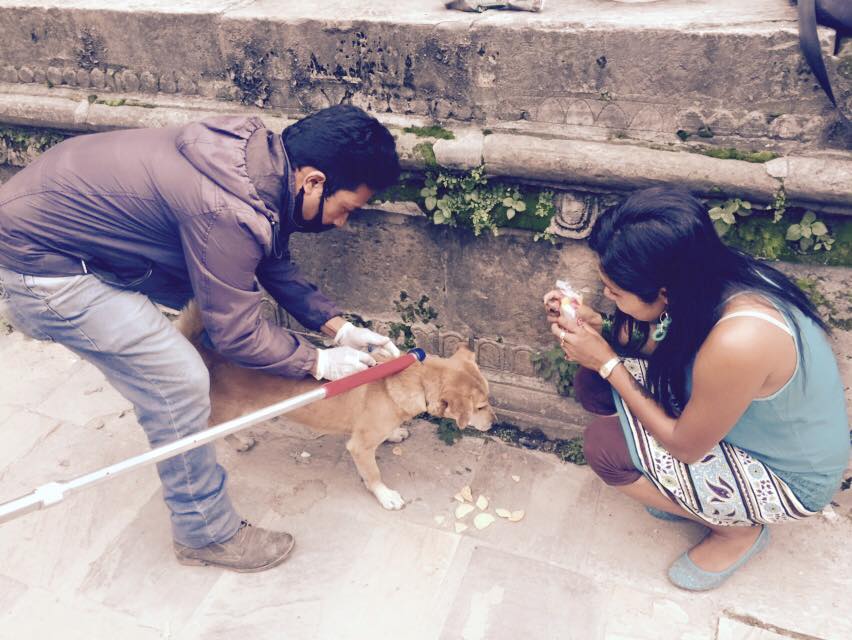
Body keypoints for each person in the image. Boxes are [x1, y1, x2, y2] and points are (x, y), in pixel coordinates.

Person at [0, 105, 402, 572]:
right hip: (43, 264)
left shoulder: (255, 165)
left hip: (64, 229)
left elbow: (266, 255)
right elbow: (237, 332)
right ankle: (204, 532)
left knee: (214, 319)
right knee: (178, 380)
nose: (341, 222)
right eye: (346, 208)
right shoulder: (227, 208)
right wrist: (318, 362)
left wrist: (338, 327)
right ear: (313, 181)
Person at [544, 186, 850, 591]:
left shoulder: (739, 339)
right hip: (738, 426)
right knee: (595, 385)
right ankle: (695, 497)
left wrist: (606, 360)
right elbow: (668, 341)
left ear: (664, 292)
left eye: (615, 292)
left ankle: (737, 532)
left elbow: (686, 447)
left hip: (789, 478)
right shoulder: (710, 278)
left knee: (605, 446)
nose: (607, 296)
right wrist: (601, 327)